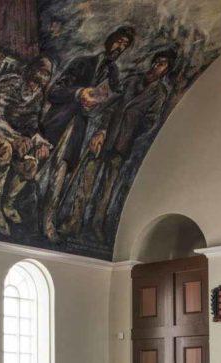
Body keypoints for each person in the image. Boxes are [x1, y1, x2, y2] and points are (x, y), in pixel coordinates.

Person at [66, 48, 175, 241]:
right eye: (156, 61)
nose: (157, 65)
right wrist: (101, 130)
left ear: (166, 70)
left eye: (162, 64)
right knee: (87, 179)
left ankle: (96, 225)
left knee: (108, 187)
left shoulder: (159, 93)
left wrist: (132, 129)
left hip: (124, 143)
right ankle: (73, 221)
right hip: (106, 136)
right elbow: (111, 104)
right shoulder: (132, 80)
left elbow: (151, 120)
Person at [39, 25, 135, 241]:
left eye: (125, 45)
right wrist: (78, 92)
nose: (120, 47)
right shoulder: (83, 62)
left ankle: (48, 222)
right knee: (37, 170)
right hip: (58, 124)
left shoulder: (113, 76)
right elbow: (53, 92)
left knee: (61, 175)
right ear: (110, 39)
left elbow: (112, 105)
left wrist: (101, 130)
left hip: (80, 132)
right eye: (119, 41)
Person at [0, 57, 54, 235]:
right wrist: (14, 139)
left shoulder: (37, 95)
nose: (36, 84)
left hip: (13, 139)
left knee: (31, 164)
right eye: (36, 76)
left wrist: (41, 143)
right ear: (29, 71)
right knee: (5, 149)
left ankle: (8, 205)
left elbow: (31, 125)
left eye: (45, 76)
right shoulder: (8, 83)